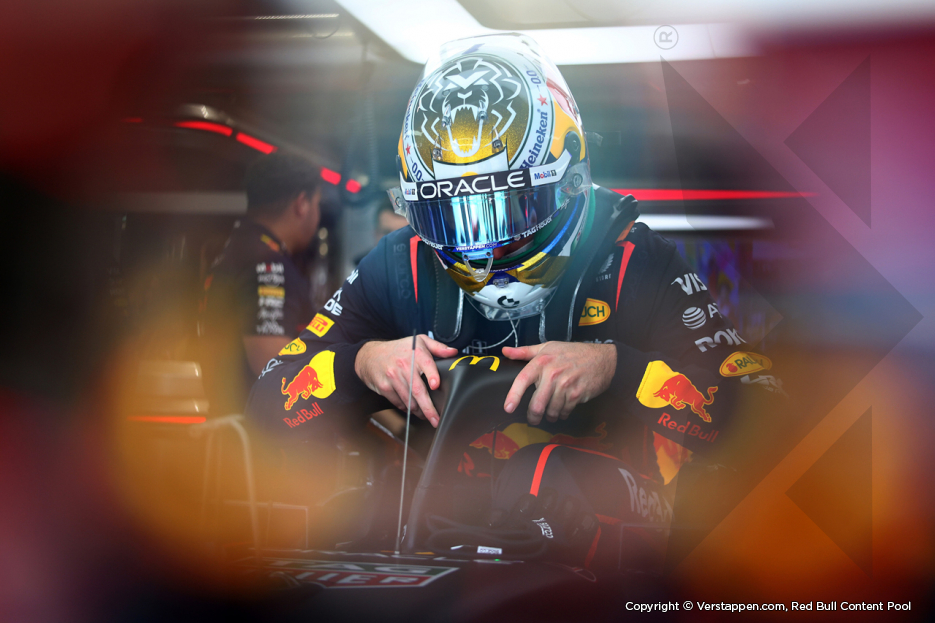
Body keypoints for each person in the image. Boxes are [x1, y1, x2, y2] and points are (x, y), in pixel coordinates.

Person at [245, 34, 778, 485]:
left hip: (608, 555)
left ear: (568, 179)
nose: (483, 247)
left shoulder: (634, 262)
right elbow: (267, 402)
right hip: (440, 545)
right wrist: (362, 364)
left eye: (510, 209)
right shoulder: (399, 264)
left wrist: (618, 367)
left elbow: (771, 418)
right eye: (453, 218)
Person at [200, 152, 321, 417]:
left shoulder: (238, 247)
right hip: (257, 431)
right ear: (302, 204)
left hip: (231, 421)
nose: (318, 215)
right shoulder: (268, 262)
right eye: (317, 204)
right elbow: (270, 360)